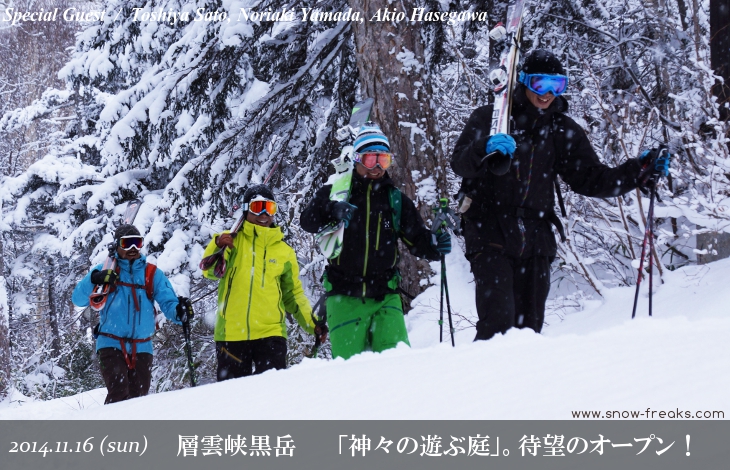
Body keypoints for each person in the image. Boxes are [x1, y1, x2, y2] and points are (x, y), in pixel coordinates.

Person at [451, 49, 671, 341]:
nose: (548, 94)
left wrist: (637, 171)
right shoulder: (491, 117)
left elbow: (592, 180)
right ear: (525, 81)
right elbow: (459, 163)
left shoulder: (561, 129)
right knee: (498, 327)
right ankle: (481, 382)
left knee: (529, 330)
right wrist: (485, 147)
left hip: (537, 237)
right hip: (490, 231)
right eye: (541, 85)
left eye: (558, 86)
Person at [300, 123, 452, 359]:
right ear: (357, 159)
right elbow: (307, 221)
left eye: (384, 160)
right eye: (371, 160)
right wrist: (331, 210)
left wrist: (435, 245)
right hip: (344, 297)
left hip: (385, 296)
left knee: (397, 365)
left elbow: (417, 240)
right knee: (351, 374)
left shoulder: (395, 200)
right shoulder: (337, 191)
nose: (378, 167)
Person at [201, 185, 323, 381]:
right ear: (246, 209)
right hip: (232, 335)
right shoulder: (231, 240)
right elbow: (209, 272)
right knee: (233, 400)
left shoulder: (283, 251)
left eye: (270, 208)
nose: (264, 214)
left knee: (271, 399)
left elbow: (293, 294)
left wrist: (311, 324)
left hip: (271, 335)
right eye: (258, 207)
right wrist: (218, 246)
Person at [72, 224, 186, 404]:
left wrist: (180, 313)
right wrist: (94, 279)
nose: (133, 249)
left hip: (142, 347)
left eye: (137, 243)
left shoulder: (151, 273)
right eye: (127, 244)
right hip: (111, 343)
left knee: (138, 400)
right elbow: (78, 299)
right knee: (118, 394)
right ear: (117, 246)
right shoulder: (106, 270)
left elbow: (168, 301)